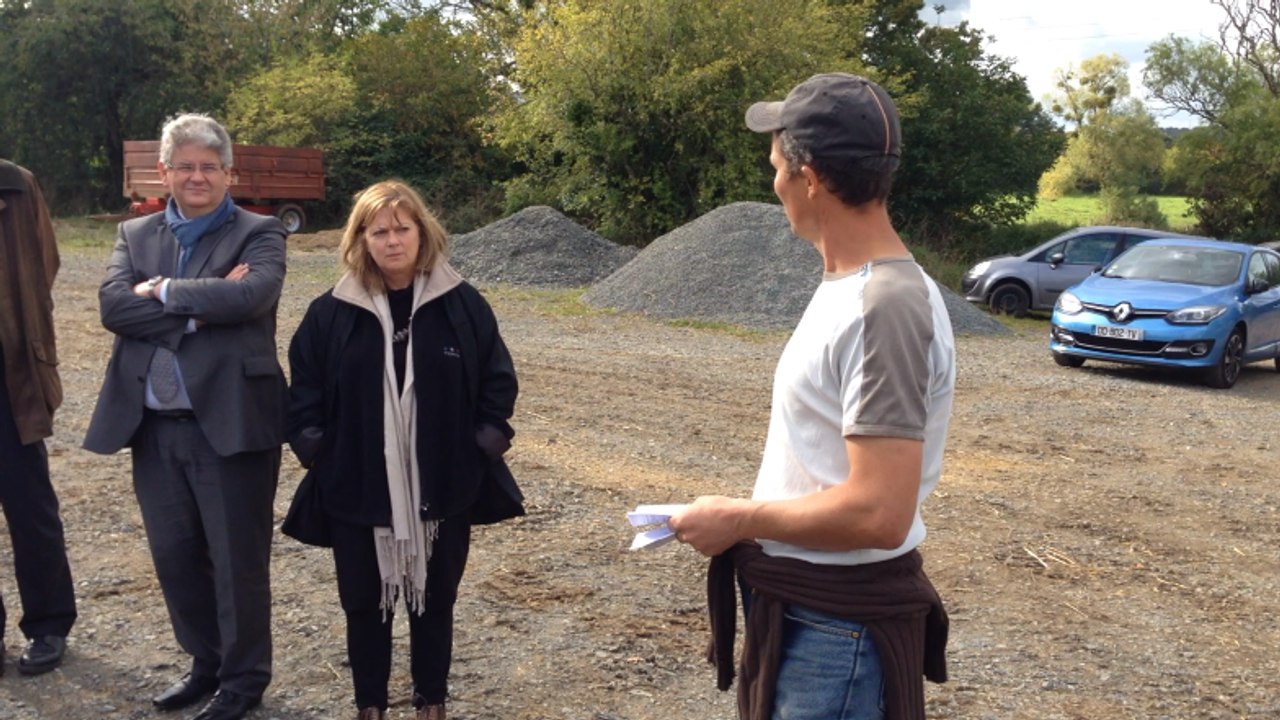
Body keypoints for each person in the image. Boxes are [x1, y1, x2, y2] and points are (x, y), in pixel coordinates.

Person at [668, 73, 954, 720]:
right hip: (815, 617)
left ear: (810, 177)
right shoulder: (850, 288)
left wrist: (738, 519)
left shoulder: (886, 307)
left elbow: (879, 511)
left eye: (776, 167)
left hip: (836, 632)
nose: (774, 184)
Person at [286, 180, 519, 720]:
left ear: (423, 233)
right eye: (380, 230)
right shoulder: (332, 312)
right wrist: (317, 452)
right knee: (364, 606)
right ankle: (370, 706)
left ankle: (430, 703)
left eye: (403, 228)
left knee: (436, 603)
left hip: (442, 488)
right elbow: (304, 392)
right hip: (358, 489)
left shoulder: (460, 303)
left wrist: (481, 446)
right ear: (361, 239)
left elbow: (497, 382)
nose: (393, 241)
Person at [83, 113, 288, 720]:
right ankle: (205, 665)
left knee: (236, 564)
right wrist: (202, 307)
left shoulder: (262, 231)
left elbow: (251, 296)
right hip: (152, 428)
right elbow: (113, 309)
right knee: (174, 558)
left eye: (209, 166)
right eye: (185, 166)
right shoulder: (134, 234)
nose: (197, 177)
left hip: (230, 425)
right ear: (165, 172)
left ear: (229, 172)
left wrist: (163, 292)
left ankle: (244, 682)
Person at [0, 159, 78, 677]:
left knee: (31, 509)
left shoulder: (16, 184)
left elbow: (43, 263)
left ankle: (49, 625)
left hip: (11, 377)